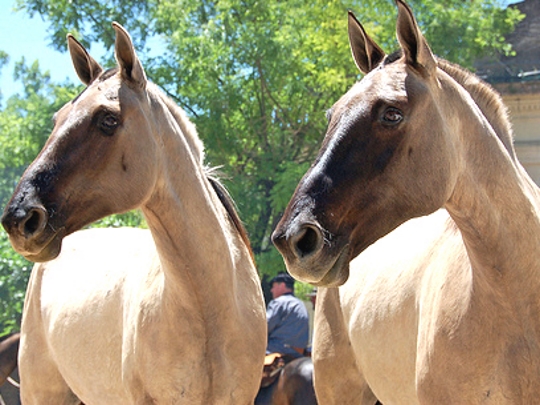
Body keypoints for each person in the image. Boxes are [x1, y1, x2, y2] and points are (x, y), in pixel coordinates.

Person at [266, 273, 309, 359]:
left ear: (282, 285)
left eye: (273, 287)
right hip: (299, 352)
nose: (271, 290)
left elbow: (265, 326)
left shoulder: (279, 302)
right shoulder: (300, 304)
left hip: (277, 348)